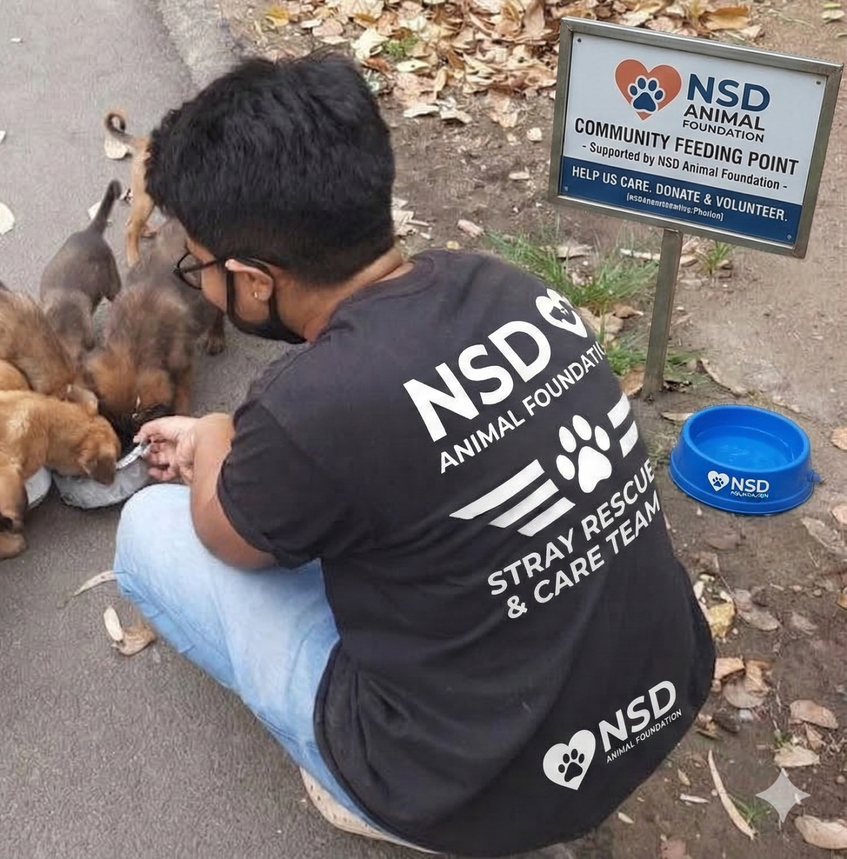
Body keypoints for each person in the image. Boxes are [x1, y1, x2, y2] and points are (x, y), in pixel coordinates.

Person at [112, 51, 715, 858]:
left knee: (150, 531)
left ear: (254, 280)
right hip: (660, 696)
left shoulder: (308, 404)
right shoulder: (512, 288)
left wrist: (218, 434)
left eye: (199, 267)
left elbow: (226, 535)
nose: (201, 282)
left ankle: (368, 795)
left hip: (472, 792)